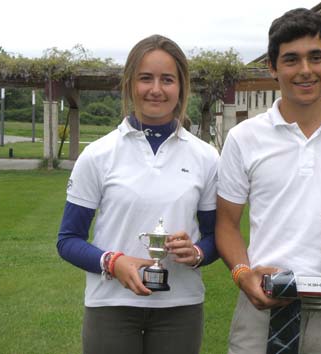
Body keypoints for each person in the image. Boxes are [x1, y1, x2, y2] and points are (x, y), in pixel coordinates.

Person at [216, 8, 321, 354]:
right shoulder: (243, 137)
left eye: (316, 58)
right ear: (273, 66)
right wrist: (241, 273)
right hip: (263, 306)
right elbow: (226, 223)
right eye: (292, 60)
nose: (306, 71)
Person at [57, 34, 219, 354]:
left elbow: (217, 236)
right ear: (130, 84)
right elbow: (68, 239)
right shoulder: (98, 154)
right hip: (110, 305)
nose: (156, 89)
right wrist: (112, 262)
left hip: (180, 307)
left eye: (167, 79)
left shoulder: (206, 157)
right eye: (146, 78)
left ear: (181, 87)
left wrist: (197, 252)